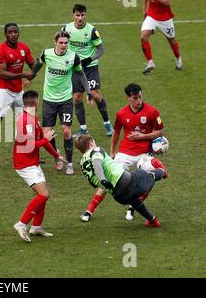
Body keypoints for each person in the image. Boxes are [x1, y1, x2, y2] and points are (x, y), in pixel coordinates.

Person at [80, 83, 167, 222]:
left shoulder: (152, 111)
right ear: (128, 98)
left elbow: (160, 131)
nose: (139, 101)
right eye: (135, 98)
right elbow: (116, 132)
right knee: (109, 179)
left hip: (144, 153)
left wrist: (142, 136)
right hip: (125, 153)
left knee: (151, 179)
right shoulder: (121, 113)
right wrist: (112, 151)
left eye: (140, 97)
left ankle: (133, 207)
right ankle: (89, 211)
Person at [0, 22, 36, 174]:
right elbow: (2, 74)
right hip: (4, 91)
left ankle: (27, 152)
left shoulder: (24, 48)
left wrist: (32, 76)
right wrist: (24, 75)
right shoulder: (0, 50)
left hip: (18, 92)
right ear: (5, 34)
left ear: (19, 33)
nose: (13, 34)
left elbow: (34, 65)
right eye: (10, 32)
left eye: (15, 32)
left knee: (26, 121)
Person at [32, 30, 90, 175]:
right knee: (47, 133)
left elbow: (81, 74)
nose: (64, 45)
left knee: (66, 131)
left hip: (65, 100)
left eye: (66, 43)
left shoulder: (73, 57)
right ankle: (57, 157)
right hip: (49, 100)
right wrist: (30, 77)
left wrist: (88, 91)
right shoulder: (47, 54)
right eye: (61, 43)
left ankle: (69, 163)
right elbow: (38, 64)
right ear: (55, 42)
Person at [76, 134, 163, 227]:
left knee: (133, 200)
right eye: (94, 141)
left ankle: (152, 221)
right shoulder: (96, 150)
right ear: (90, 144)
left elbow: (93, 182)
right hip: (130, 182)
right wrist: (103, 179)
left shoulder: (82, 164)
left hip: (119, 197)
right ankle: (163, 171)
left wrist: (103, 181)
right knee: (153, 173)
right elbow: (96, 162)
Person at [12, 90, 64, 242]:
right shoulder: (25, 121)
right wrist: (46, 139)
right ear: (36, 102)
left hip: (31, 162)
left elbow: (42, 140)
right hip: (24, 164)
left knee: (43, 195)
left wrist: (56, 155)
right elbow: (30, 145)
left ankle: (36, 227)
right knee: (43, 195)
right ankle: (21, 224)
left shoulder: (32, 118)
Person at [62, 4, 113, 137]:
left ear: (86, 15)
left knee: (95, 94)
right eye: (77, 15)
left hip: (90, 67)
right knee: (77, 97)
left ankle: (107, 123)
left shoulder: (91, 30)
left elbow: (101, 49)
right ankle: (83, 129)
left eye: (82, 15)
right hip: (75, 67)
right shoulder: (66, 29)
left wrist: (90, 59)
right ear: (73, 15)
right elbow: (61, 44)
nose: (80, 18)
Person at [141, 0, 182, 74]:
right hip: (151, 16)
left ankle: (178, 59)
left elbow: (167, 2)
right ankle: (150, 63)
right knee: (143, 37)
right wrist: (144, 9)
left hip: (165, 18)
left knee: (171, 41)